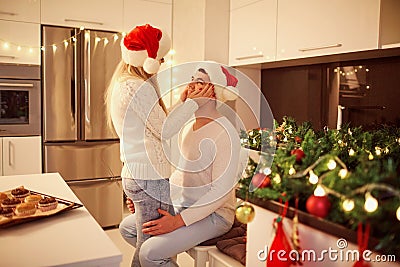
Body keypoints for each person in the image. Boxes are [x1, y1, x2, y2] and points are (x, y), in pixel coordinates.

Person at [105, 24, 215, 267]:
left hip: (141, 175)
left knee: (150, 246)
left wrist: (182, 102)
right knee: (154, 248)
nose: (162, 62)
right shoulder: (134, 86)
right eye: (160, 57)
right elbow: (165, 130)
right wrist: (194, 104)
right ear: (148, 58)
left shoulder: (127, 83)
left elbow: (157, 125)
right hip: (150, 177)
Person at [119, 64, 243, 267]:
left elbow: (221, 192)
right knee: (127, 228)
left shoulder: (225, 133)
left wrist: (178, 221)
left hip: (215, 215)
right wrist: (147, 200)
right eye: (192, 79)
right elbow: (181, 173)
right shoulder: (187, 128)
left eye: (200, 82)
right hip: (183, 204)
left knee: (149, 253)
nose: (192, 86)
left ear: (216, 91)